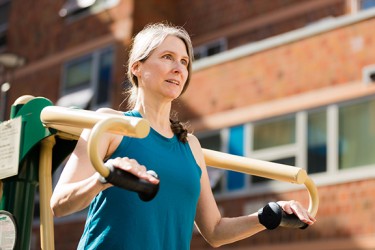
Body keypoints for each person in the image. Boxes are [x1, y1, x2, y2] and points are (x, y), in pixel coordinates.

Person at [50, 22, 316, 249]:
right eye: (167, 57)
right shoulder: (109, 124)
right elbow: (59, 204)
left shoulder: (190, 145)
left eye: (184, 61)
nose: (179, 68)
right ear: (137, 68)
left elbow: (214, 230)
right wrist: (104, 176)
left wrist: (268, 215)